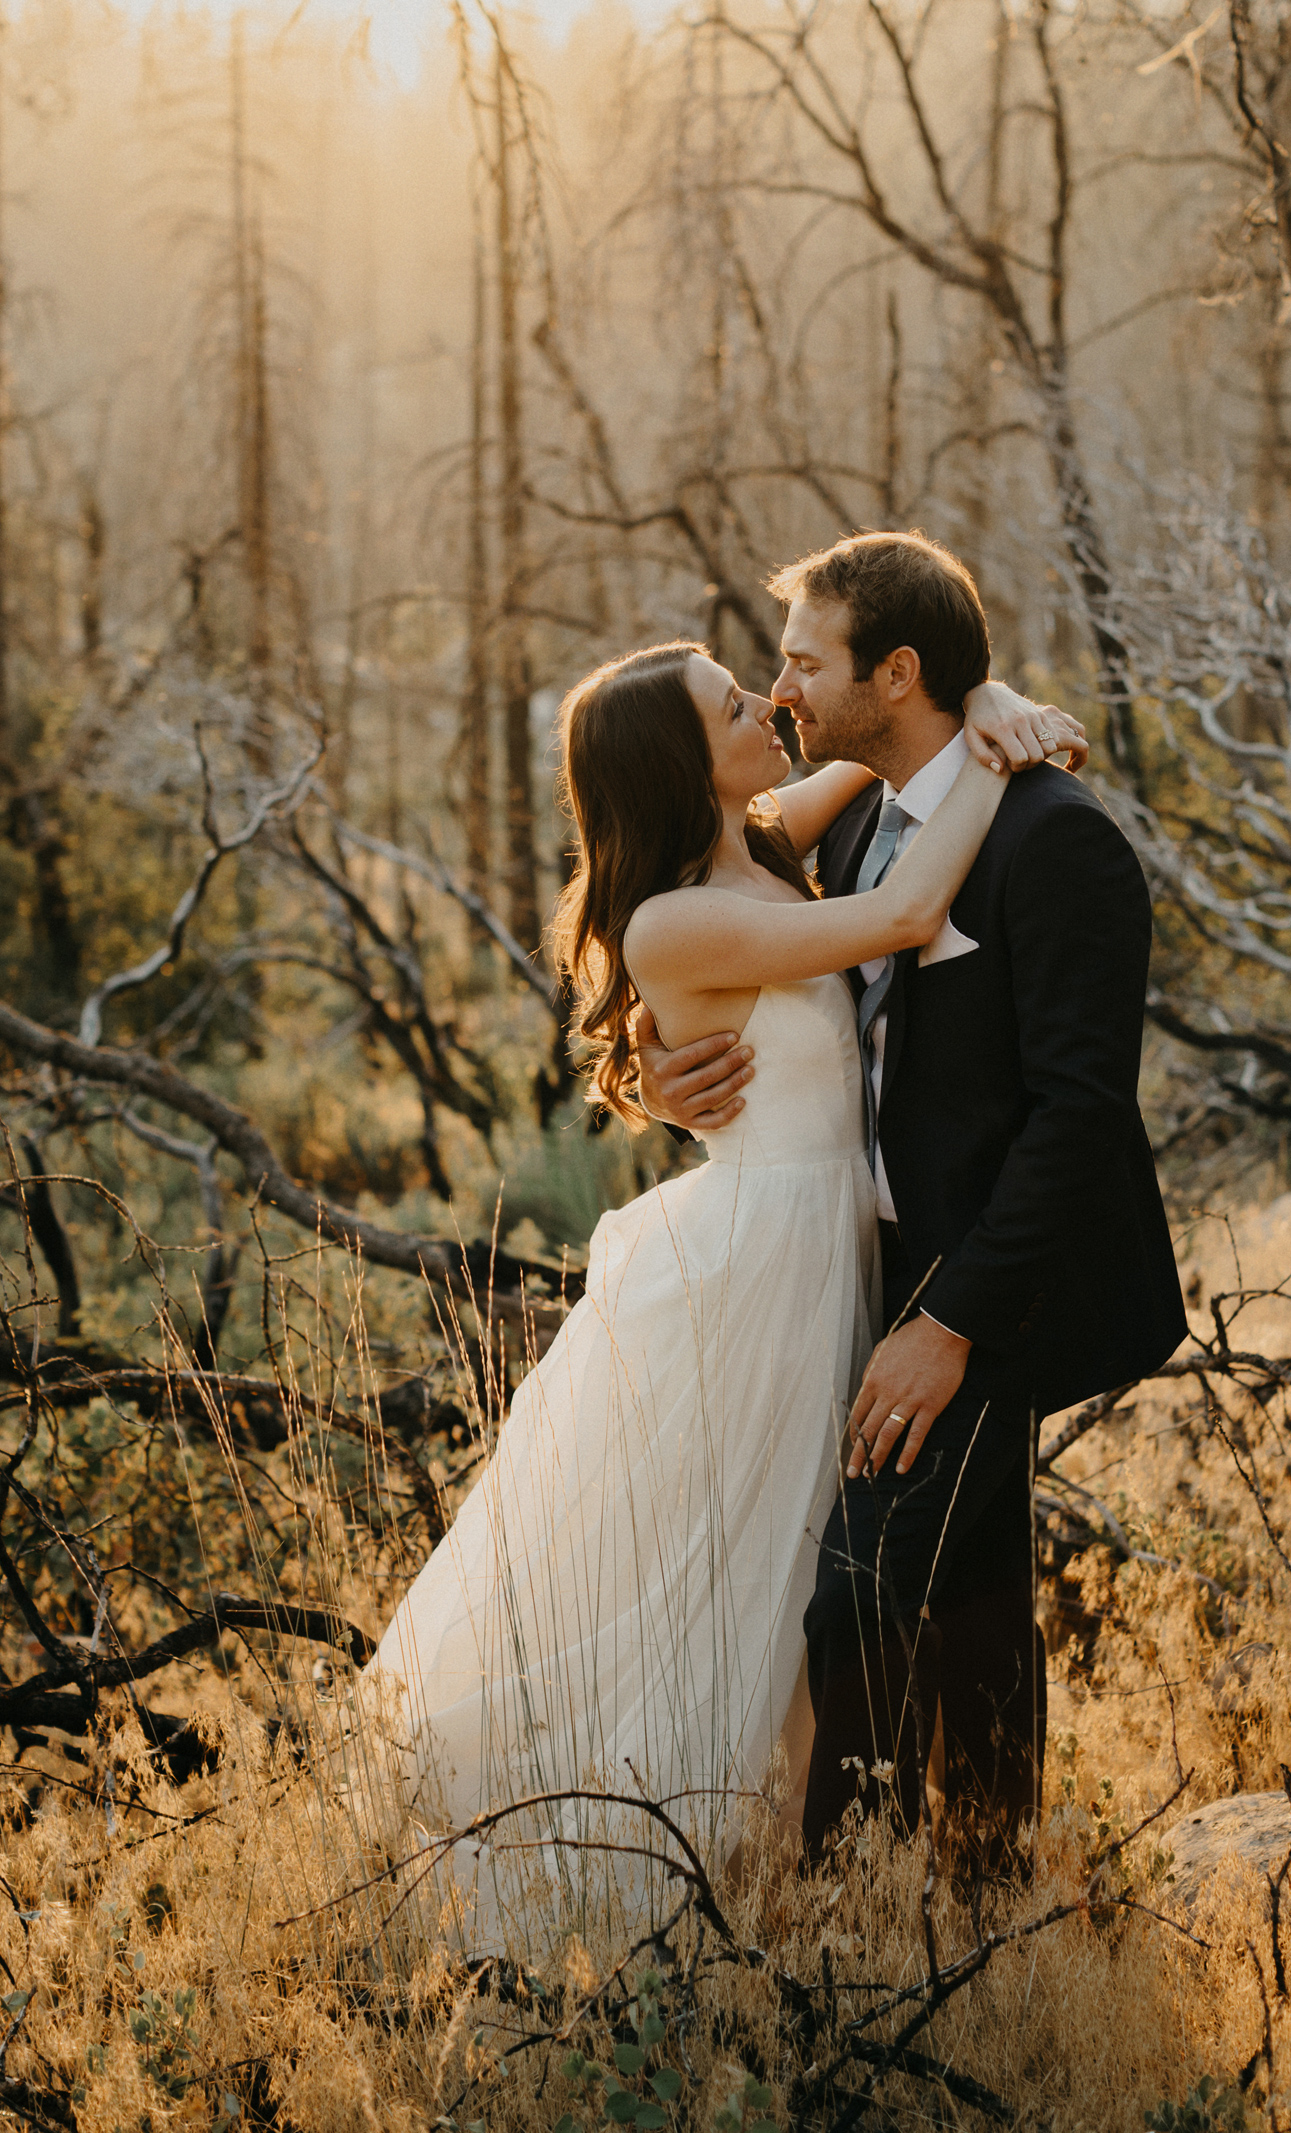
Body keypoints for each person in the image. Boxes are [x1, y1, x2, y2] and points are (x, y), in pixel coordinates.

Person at [366, 634, 1079, 1947]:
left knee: (794, 1585)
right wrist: (995, 739)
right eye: (734, 702)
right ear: (673, 763)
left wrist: (981, 700)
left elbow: (860, 772)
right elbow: (907, 911)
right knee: (733, 1583)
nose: (768, 701)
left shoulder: (751, 841)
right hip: (752, 1275)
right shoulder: (676, 917)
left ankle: (788, 1898)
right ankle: (632, 1892)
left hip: (816, 1260)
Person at [640, 532, 1188, 1870]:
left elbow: (1081, 1116)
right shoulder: (875, 814)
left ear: (894, 671)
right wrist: (665, 1071)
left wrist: (949, 1323)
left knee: (859, 1593)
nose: (783, 688)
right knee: (979, 1574)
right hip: (869, 1265)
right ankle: (988, 1873)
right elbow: (718, 940)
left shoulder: (1058, 842)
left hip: (986, 1282)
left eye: (805, 660)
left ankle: (848, 1925)